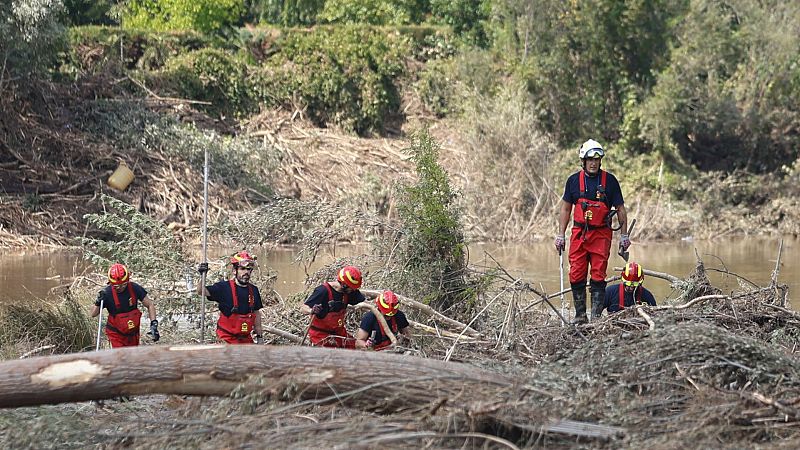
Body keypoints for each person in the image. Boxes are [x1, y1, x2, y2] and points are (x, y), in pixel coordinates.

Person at [555, 139, 630, 324]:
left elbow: (620, 209)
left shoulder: (610, 181)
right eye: (590, 159)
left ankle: (596, 318)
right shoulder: (573, 181)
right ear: (583, 161)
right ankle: (580, 317)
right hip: (579, 235)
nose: (593, 163)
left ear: (601, 160)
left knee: (598, 274)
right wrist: (560, 235)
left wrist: (624, 236)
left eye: (597, 159)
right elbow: (565, 209)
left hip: (601, 235)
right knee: (576, 273)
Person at [198, 251, 264, 344]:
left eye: (249, 269)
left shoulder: (254, 290)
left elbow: (256, 314)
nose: (246, 272)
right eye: (242, 269)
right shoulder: (223, 288)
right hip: (226, 339)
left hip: (245, 339)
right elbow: (201, 291)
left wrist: (260, 338)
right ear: (234, 271)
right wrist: (202, 275)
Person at [91, 263, 159, 348]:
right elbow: (93, 314)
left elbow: (150, 305)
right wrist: (98, 301)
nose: (120, 288)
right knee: (121, 356)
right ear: (111, 283)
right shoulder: (107, 293)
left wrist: (154, 324)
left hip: (133, 332)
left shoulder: (134, 288)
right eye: (116, 286)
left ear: (127, 280)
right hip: (116, 333)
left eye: (123, 284)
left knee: (133, 356)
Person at [299, 265, 366, 348]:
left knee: (355, 346)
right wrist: (312, 310)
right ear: (344, 285)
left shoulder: (348, 293)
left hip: (339, 333)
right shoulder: (323, 291)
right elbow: (303, 308)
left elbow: (362, 300)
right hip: (321, 336)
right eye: (352, 288)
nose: (354, 291)